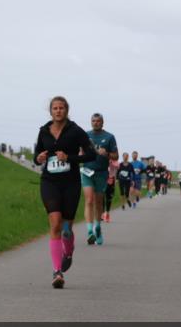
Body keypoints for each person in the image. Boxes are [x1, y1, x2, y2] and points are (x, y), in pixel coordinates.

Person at [34, 97, 108, 288]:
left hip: (70, 183)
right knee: (55, 223)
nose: (58, 111)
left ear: (66, 110)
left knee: (66, 230)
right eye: (55, 108)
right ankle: (57, 272)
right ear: (50, 111)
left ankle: (68, 251)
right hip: (49, 182)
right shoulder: (44, 131)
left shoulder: (75, 131)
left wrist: (69, 157)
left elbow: (91, 154)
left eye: (61, 108)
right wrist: (39, 157)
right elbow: (36, 155)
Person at [81, 113, 118, 245]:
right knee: (89, 200)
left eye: (98, 121)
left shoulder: (109, 137)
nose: (95, 123)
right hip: (87, 171)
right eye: (93, 121)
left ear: (102, 123)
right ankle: (89, 231)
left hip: (101, 173)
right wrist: (80, 154)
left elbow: (116, 156)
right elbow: (81, 152)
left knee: (98, 202)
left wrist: (106, 153)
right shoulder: (85, 135)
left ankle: (97, 227)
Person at [103, 156, 118, 222]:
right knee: (101, 197)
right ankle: (102, 213)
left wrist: (110, 162)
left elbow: (117, 166)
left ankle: (107, 213)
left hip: (111, 180)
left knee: (108, 198)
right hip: (102, 179)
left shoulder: (114, 161)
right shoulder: (102, 159)